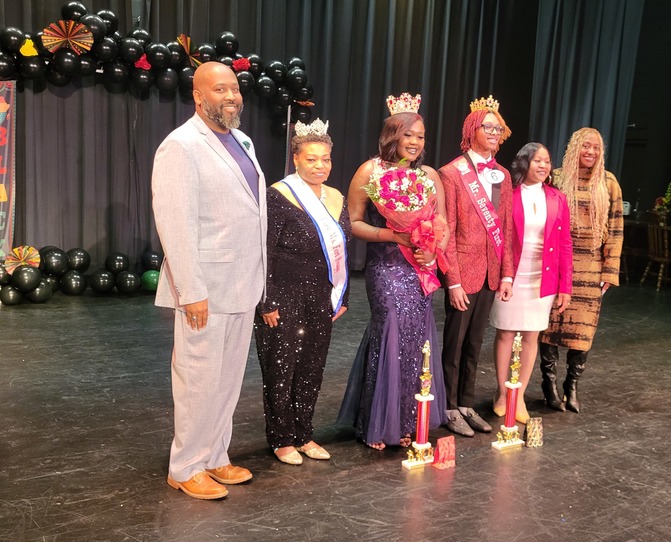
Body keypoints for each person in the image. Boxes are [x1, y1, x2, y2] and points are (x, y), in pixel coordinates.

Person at [152, 61, 267, 500]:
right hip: (206, 288)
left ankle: (215, 455)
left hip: (242, 284)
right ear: (199, 96)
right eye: (220, 89)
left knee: (227, 380)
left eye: (235, 88)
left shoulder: (242, 139)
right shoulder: (181, 146)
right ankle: (185, 466)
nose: (231, 96)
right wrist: (192, 291)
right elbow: (175, 224)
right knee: (198, 379)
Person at [338, 93, 449, 450]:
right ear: (392, 135)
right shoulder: (371, 171)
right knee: (390, 333)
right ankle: (376, 421)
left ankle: (406, 420)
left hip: (418, 269)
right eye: (408, 135)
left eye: (420, 136)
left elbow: (442, 221)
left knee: (417, 341)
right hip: (386, 267)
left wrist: (433, 249)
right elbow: (351, 222)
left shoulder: (429, 176)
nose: (415, 142)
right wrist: (394, 233)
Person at [253, 119, 350, 465]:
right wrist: (267, 300)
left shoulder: (336, 198)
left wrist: (343, 294)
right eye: (311, 159)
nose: (319, 165)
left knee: (312, 366)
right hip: (284, 294)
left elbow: (343, 246)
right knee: (282, 369)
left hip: (320, 296)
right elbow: (262, 249)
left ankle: (304, 434)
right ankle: (281, 439)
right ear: (296, 159)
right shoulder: (278, 196)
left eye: (325, 159)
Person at [438, 95, 512, 436]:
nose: (495, 132)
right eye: (489, 127)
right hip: (462, 271)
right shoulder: (452, 174)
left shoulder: (503, 176)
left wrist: (507, 272)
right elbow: (447, 232)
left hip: (491, 272)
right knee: (454, 344)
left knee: (475, 343)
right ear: (473, 129)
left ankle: (466, 402)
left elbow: (507, 228)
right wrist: (451, 280)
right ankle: (448, 406)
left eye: (499, 127)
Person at [539, 127, 624, 413]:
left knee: (584, 331)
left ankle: (571, 385)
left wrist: (610, 270)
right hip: (558, 261)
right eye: (585, 146)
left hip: (590, 265)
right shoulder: (558, 178)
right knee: (549, 326)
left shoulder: (608, 182)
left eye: (596, 147)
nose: (591, 152)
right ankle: (548, 383)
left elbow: (615, 229)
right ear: (575, 147)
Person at [490, 142, 573, 423]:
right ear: (524, 163)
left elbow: (565, 245)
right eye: (537, 160)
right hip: (510, 274)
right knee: (505, 333)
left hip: (542, 276)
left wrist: (565, 286)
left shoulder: (557, 198)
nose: (543, 165)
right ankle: (502, 393)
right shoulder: (507, 195)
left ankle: (518, 396)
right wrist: (504, 273)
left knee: (530, 336)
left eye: (547, 161)